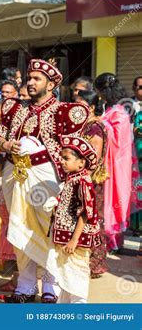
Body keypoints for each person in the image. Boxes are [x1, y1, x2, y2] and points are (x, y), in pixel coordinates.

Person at [0, 59, 90, 303]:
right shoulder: (15, 108)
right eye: (29, 78)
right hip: (14, 173)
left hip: (46, 178)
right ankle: (26, 285)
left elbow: (74, 152)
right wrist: (6, 145)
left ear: (51, 84)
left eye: (37, 79)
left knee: (49, 230)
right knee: (19, 228)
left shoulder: (63, 112)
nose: (30, 82)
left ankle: (51, 284)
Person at [47, 135, 100, 303]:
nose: (62, 161)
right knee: (66, 277)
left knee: (76, 278)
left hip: (76, 240)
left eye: (66, 158)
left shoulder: (82, 182)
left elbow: (85, 213)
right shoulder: (72, 179)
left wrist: (74, 240)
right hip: (67, 238)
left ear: (81, 162)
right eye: (61, 158)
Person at [95, 73, 133, 252]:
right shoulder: (109, 109)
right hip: (107, 162)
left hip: (117, 164)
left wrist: (100, 125)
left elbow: (119, 139)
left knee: (115, 198)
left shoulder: (120, 112)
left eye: (99, 91)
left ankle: (115, 240)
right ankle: (107, 240)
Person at [78, 90, 109, 278]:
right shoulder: (84, 126)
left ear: (89, 108)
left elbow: (94, 159)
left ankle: (94, 265)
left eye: (80, 106)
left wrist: (83, 179)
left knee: (93, 219)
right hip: (83, 179)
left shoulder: (94, 128)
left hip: (91, 181)